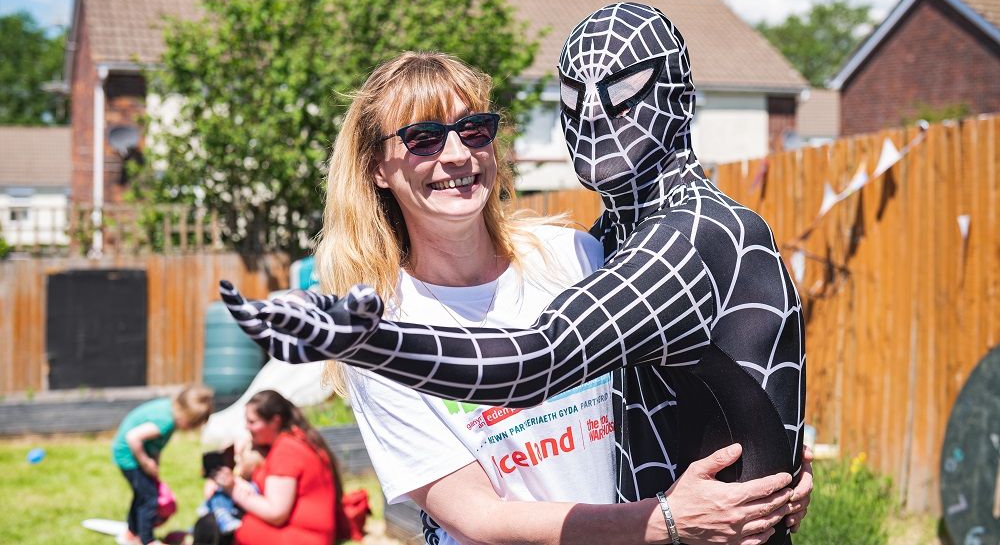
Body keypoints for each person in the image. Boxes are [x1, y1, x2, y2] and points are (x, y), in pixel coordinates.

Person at [222, 50, 809, 544]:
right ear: (377, 167)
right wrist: (664, 523)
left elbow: (684, 387)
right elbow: (482, 515)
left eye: (473, 130)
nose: (455, 155)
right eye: (422, 139)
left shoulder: (578, 257)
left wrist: (767, 466)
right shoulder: (387, 324)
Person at [207, 390, 346, 545]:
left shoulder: (287, 450)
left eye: (252, 422)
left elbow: (276, 513)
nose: (247, 427)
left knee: (211, 525)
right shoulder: (298, 438)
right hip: (312, 534)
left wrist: (232, 489)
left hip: (302, 537)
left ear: (275, 421)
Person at [112, 385, 215, 545]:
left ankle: (132, 533)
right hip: (129, 457)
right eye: (191, 424)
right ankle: (147, 540)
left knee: (142, 494)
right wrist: (145, 463)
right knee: (150, 499)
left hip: (134, 456)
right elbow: (133, 437)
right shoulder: (165, 421)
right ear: (185, 417)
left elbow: (155, 444)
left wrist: (154, 463)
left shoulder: (170, 410)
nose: (188, 429)